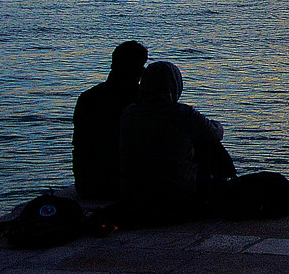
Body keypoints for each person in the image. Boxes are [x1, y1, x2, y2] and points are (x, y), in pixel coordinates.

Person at [118, 61, 236, 222]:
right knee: (207, 142)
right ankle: (227, 181)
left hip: (134, 192)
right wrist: (214, 124)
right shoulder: (183, 114)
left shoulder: (129, 113)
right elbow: (215, 133)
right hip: (177, 192)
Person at [71, 40, 147, 200]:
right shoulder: (141, 100)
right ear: (137, 69)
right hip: (121, 185)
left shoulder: (87, 97)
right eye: (142, 65)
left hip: (87, 185)